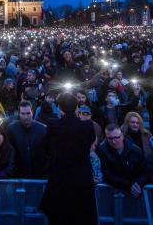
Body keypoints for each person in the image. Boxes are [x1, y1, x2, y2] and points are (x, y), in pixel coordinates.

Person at [40, 93, 97, 225]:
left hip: (60, 180)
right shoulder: (87, 126)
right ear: (77, 108)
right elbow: (90, 142)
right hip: (82, 179)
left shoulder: (53, 125)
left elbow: (47, 148)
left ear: (59, 108)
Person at [97, 124, 148, 197]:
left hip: (134, 193)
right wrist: (128, 186)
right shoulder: (102, 151)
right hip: (111, 194)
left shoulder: (136, 151)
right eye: (110, 138)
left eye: (117, 137)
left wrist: (137, 184)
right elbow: (107, 175)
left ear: (122, 136)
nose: (114, 142)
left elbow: (145, 172)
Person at [7, 101, 47, 178]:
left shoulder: (42, 129)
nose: (26, 117)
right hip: (18, 174)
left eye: (28, 113)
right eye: (23, 113)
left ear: (32, 112)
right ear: (19, 114)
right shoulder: (11, 129)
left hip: (38, 174)